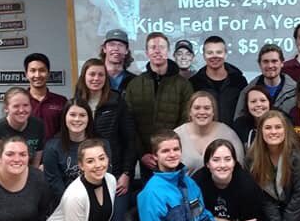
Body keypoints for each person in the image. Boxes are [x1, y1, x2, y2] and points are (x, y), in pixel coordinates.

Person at [74, 57, 137, 221]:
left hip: (115, 175)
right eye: (92, 74)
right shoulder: (75, 104)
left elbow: (130, 141)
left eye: (101, 75)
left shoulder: (117, 102)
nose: (96, 79)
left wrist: (127, 173)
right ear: (84, 76)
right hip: (86, 178)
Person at [39, 138, 116, 221]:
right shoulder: (75, 195)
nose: (98, 165)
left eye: (101, 158)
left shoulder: (110, 180)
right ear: (81, 165)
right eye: (90, 161)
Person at [125, 32, 193, 174]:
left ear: (168, 51)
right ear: (147, 52)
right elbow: (129, 123)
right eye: (153, 47)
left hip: (174, 158)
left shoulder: (183, 85)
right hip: (146, 159)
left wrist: (170, 152)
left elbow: (185, 121)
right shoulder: (135, 84)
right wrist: (142, 154)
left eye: (161, 47)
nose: (157, 51)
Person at [174, 91, 244, 174]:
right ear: (190, 112)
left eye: (207, 108)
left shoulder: (228, 135)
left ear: (213, 112)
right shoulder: (177, 135)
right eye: (197, 108)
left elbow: (239, 169)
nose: (202, 112)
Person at [42, 99, 94, 205]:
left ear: (89, 118)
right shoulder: (52, 147)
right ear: (65, 117)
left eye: (82, 115)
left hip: (94, 203)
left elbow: (103, 179)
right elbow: (55, 184)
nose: (77, 119)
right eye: (72, 115)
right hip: (64, 204)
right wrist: (73, 204)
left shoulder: (101, 145)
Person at [0, 87, 44, 167]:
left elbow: (36, 160)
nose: (21, 110)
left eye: (26, 105)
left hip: (26, 173)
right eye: (16, 106)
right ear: (6, 108)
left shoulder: (38, 126)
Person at [189, 35, 248, 123]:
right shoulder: (194, 83)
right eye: (210, 53)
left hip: (234, 134)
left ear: (226, 54)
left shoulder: (239, 81)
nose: (214, 56)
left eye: (219, 52)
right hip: (205, 133)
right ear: (204, 55)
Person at [233, 44, 297, 120]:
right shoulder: (248, 91)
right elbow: (239, 120)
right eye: (265, 62)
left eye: (274, 61)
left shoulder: (295, 91)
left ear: (282, 63)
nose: (270, 66)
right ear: (260, 64)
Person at [24, 52, 67, 140]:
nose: (37, 75)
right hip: (25, 152)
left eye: (42, 70)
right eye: (33, 70)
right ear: (26, 75)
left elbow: (66, 130)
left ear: (48, 73)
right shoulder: (20, 101)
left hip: (54, 152)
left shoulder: (61, 101)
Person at [232, 85, 271, 153]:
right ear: (247, 105)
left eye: (263, 100)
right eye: (253, 101)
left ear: (269, 103)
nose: (258, 104)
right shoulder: (240, 125)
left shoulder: (280, 122)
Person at [99, 29, 137, 93]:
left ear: (126, 50)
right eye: (112, 45)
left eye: (120, 45)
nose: (116, 48)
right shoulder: (94, 79)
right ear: (104, 49)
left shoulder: (135, 81)